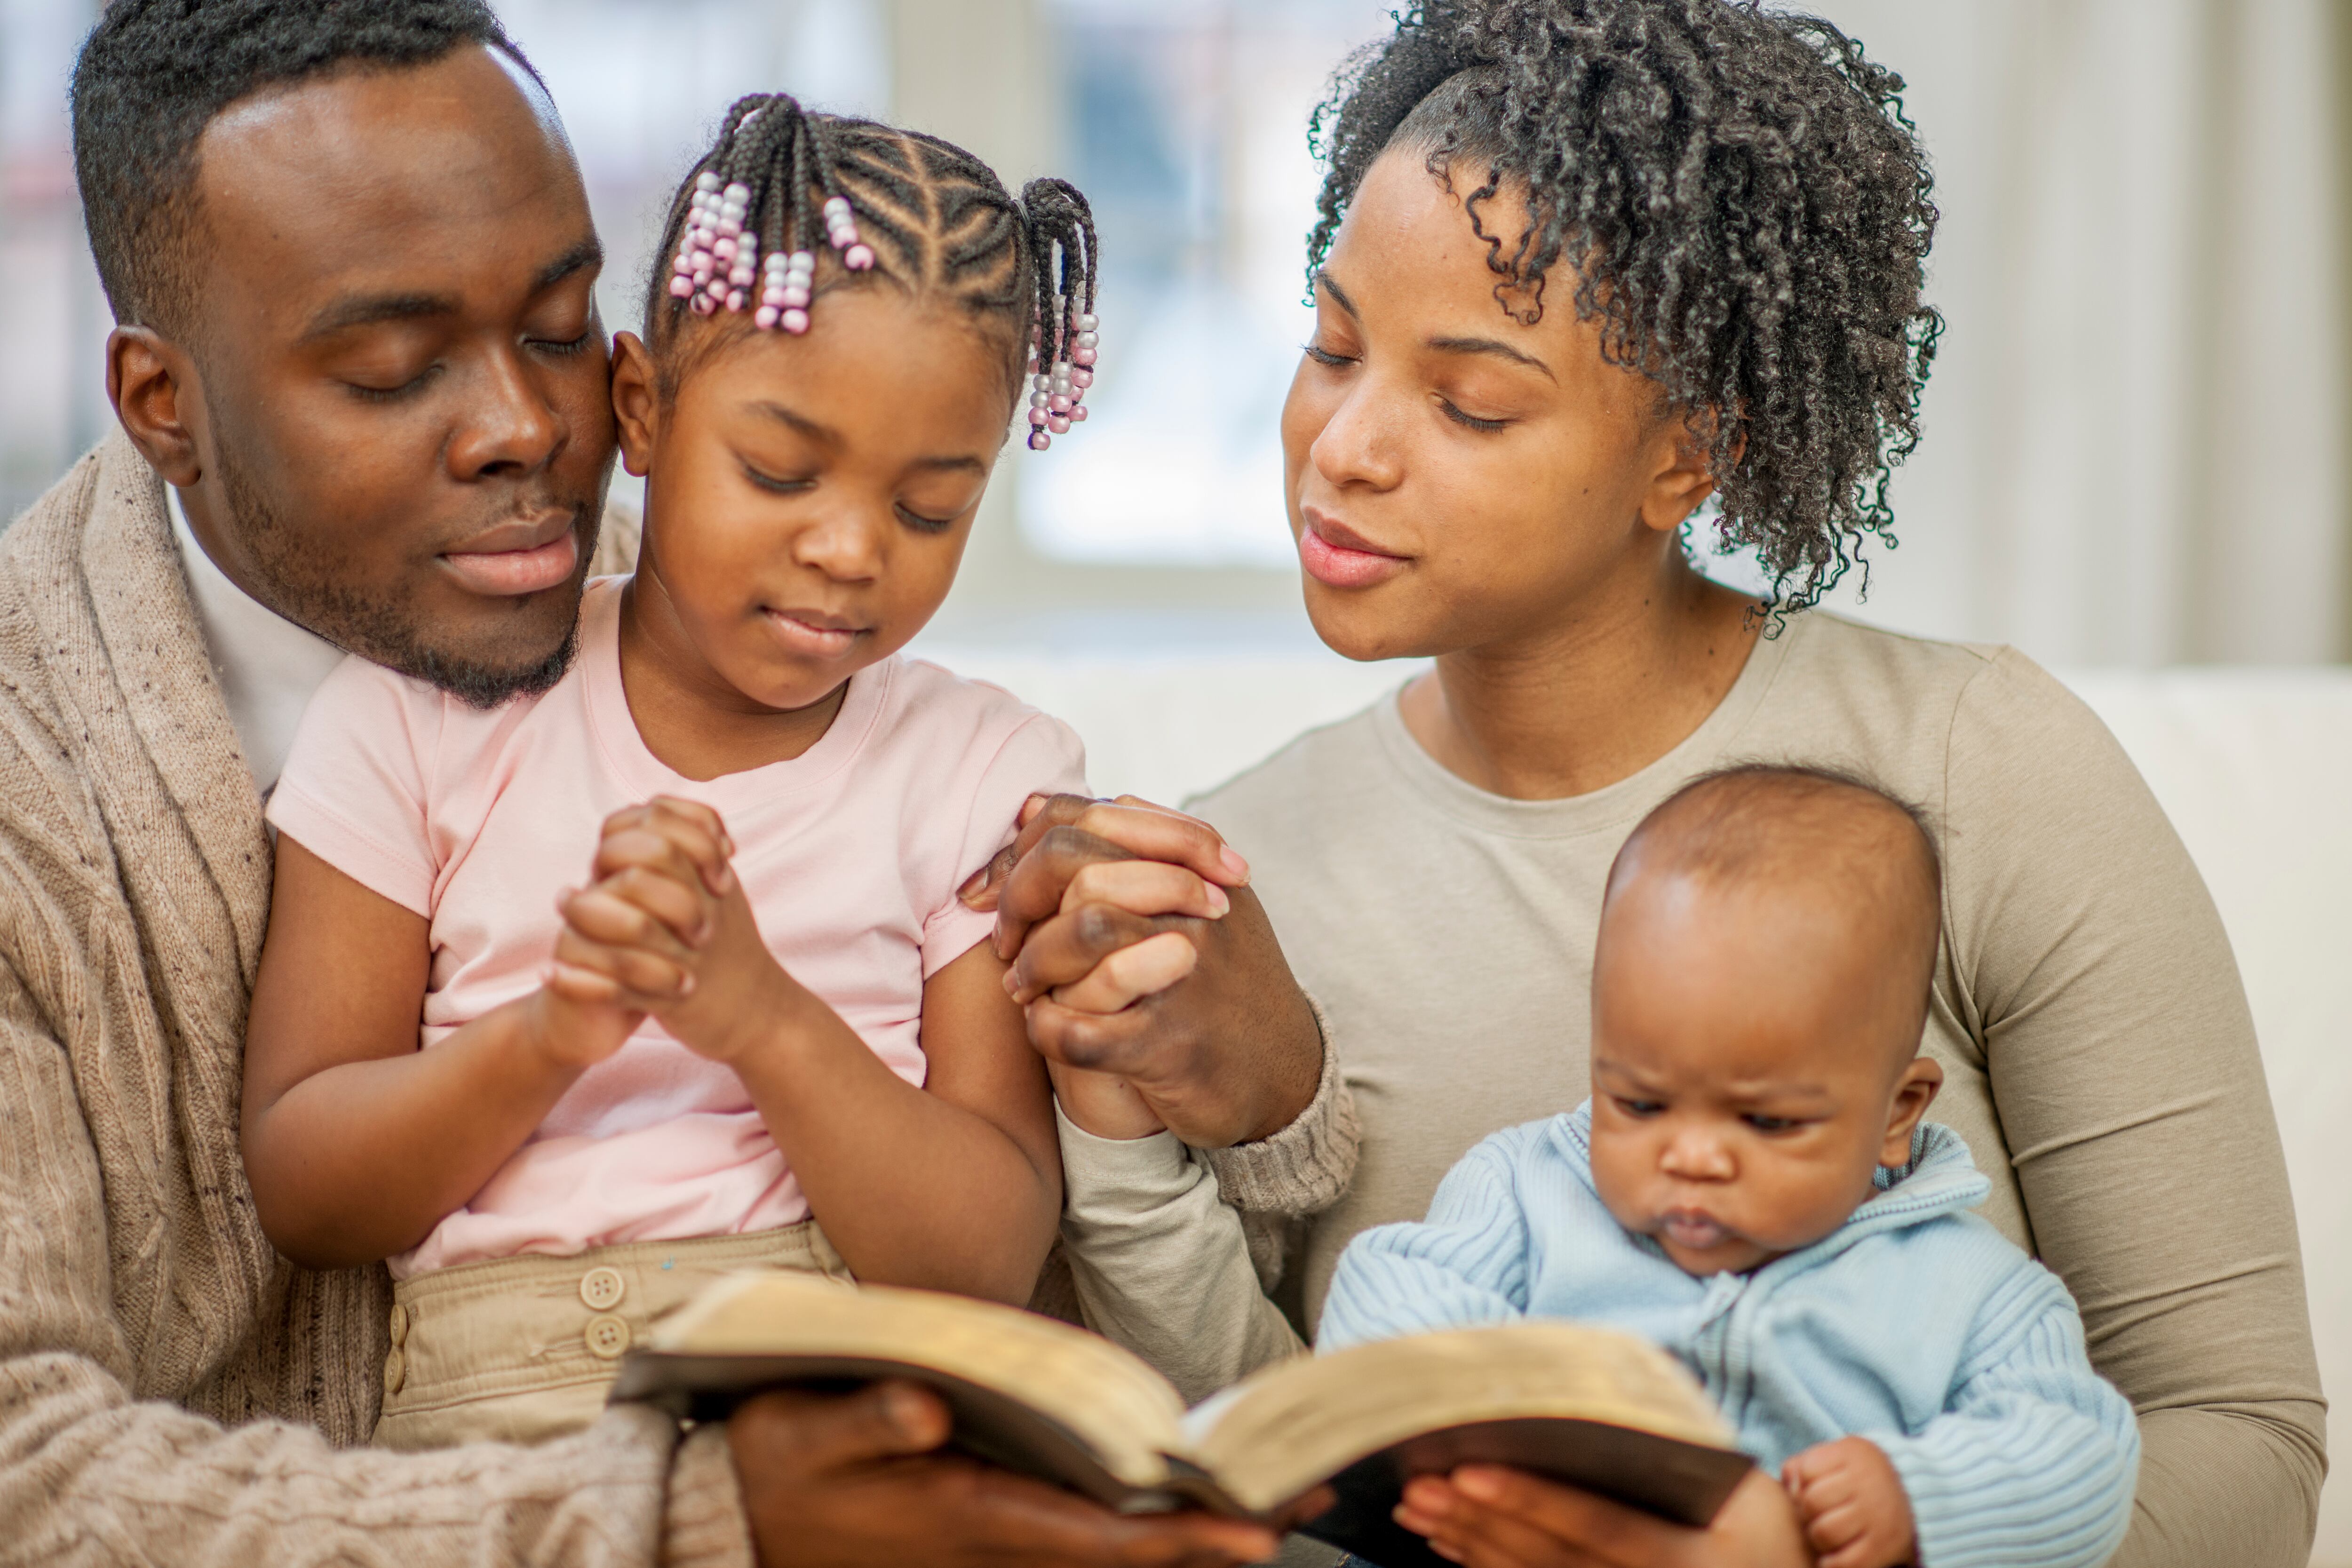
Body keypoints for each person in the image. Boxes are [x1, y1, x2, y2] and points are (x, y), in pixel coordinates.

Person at [968, 3, 2325, 1565]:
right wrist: (1130, 1123)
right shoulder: (1237, 878)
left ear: (1688, 454)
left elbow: (2247, 1451)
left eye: (1469, 401)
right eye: (1331, 344)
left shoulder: (1976, 773)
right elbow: (1305, 1470)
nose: (1340, 446)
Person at [0, 2, 1278, 1561]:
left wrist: (1233, 1070)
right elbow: (38, 1471)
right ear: (160, 408)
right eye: (396, 368)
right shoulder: (115, 776)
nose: (531, 427)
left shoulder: (894, 717)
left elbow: (1010, 1237)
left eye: (553, 329)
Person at [239, 94, 1124, 1449]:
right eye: (778, 471)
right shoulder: (418, 721)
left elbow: (989, 1254)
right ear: (641, 410)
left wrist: (763, 1015)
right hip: (494, 1438)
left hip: (844, 1401)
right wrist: (554, 1032)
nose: (849, 548)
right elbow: (306, 1184)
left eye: (929, 506)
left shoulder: (975, 769)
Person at [1321, 766, 2139, 1568]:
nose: (1693, 1157)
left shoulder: (1976, 1292)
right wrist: (1508, 1401)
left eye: (1767, 1121)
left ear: (1897, 1113)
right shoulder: (1527, 1185)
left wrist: (1916, 1497)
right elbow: (1386, 1289)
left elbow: (2082, 1451)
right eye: (1639, 1104)